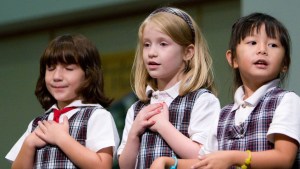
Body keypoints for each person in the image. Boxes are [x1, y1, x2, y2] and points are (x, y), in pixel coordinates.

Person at [150, 12, 300, 169]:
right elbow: (206, 161)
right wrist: (170, 163)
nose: (262, 50)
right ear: (233, 59)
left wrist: (233, 157)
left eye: (273, 45)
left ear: (285, 64)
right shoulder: (223, 115)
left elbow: (284, 157)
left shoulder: (286, 101)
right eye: (252, 42)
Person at [117, 7, 221, 169]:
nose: (151, 53)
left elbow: (204, 157)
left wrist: (164, 126)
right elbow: (125, 166)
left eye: (163, 44)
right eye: (146, 44)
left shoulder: (202, 101)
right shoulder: (136, 109)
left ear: (188, 52)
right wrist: (133, 134)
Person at [5, 34, 120, 169]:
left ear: (89, 74)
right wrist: (29, 143)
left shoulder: (97, 116)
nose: (57, 76)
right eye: (51, 68)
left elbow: (102, 166)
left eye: (68, 69)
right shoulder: (38, 124)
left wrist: (61, 138)